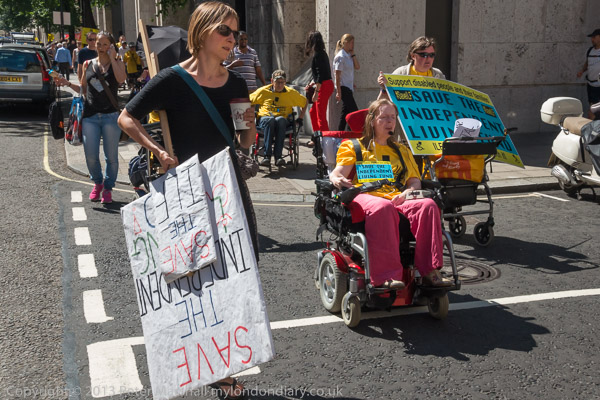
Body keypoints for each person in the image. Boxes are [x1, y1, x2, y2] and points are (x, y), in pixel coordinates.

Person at [118, 4, 255, 397]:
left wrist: (249, 129)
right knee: (195, 276)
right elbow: (126, 118)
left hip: (227, 188)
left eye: (235, 33)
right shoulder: (171, 80)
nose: (232, 39)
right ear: (203, 31)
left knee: (239, 272)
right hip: (186, 192)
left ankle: (222, 361)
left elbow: (245, 137)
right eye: (225, 31)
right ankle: (214, 367)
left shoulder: (236, 82)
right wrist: (157, 150)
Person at [329, 99, 451, 289]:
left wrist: (408, 193)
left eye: (393, 117)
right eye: (384, 117)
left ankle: (430, 271)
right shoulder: (354, 146)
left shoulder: (402, 150)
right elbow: (338, 172)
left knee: (428, 205)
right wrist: (336, 179)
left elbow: (414, 181)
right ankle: (386, 276)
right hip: (366, 195)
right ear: (372, 121)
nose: (390, 122)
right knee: (383, 207)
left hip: (396, 195)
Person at [56, 31, 127, 204]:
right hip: (90, 116)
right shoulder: (88, 64)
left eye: (105, 44)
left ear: (111, 46)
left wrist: (113, 58)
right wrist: (67, 83)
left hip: (111, 116)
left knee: (111, 157)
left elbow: (121, 79)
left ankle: (108, 188)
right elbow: (83, 88)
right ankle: (98, 182)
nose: (100, 47)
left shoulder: (118, 63)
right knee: (90, 155)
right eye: (98, 43)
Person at [250, 69, 308, 167]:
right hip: (265, 119)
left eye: (282, 82)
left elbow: (305, 102)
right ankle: (267, 156)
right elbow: (249, 101)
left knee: (280, 120)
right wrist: (251, 115)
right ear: (272, 81)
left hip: (282, 120)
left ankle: (278, 157)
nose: (280, 85)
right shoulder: (263, 91)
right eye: (277, 82)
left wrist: (300, 118)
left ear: (285, 82)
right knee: (270, 120)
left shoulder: (290, 93)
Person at [377, 36, 445, 101]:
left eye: (432, 55)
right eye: (424, 55)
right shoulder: (401, 73)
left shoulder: (438, 75)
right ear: (413, 56)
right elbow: (381, 104)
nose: (428, 59)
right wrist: (384, 89)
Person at [305, 30, 334, 135]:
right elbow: (322, 73)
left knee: (320, 115)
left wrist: (316, 92)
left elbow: (320, 75)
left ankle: (325, 138)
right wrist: (314, 83)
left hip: (324, 86)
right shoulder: (322, 53)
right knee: (313, 112)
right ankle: (317, 136)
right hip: (326, 84)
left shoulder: (318, 55)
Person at [333, 33, 360, 130]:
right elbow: (337, 75)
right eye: (351, 43)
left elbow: (357, 67)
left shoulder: (348, 55)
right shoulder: (340, 57)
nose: (353, 45)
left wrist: (353, 54)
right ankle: (351, 131)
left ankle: (341, 132)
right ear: (346, 43)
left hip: (349, 87)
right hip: (343, 88)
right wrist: (338, 92)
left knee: (345, 113)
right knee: (354, 112)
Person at [577, 29, 600, 120]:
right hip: (591, 85)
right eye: (591, 38)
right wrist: (582, 71)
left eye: (594, 37)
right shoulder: (590, 50)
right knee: (592, 109)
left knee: (593, 111)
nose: (592, 39)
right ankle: (593, 126)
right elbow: (587, 63)